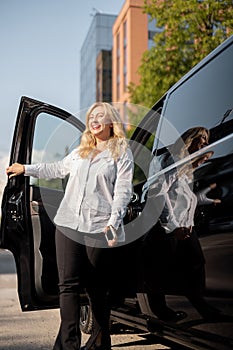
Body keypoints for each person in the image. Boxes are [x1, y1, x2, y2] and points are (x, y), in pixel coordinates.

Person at [6, 102, 134, 350]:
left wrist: (114, 221)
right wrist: (26, 169)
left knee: (97, 287)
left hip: (99, 226)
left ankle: (100, 339)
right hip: (68, 223)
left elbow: (123, 190)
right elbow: (56, 169)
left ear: (111, 122)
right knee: (68, 286)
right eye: (91, 116)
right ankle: (69, 344)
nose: (95, 119)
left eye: (100, 115)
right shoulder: (80, 152)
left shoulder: (121, 152)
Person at [143, 127, 225, 322]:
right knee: (161, 270)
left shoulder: (187, 171)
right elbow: (159, 193)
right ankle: (160, 312)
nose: (206, 143)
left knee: (194, 265)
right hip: (169, 229)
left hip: (185, 228)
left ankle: (201, 306)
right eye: (202, 139)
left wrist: (204, 198)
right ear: (189, 140)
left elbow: (182, 199)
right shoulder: (174, 162)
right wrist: (172, 226)